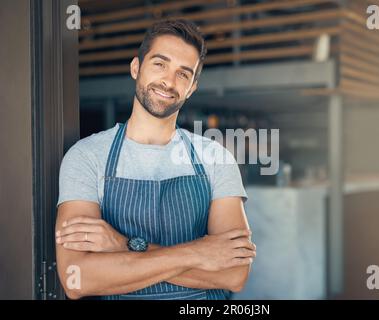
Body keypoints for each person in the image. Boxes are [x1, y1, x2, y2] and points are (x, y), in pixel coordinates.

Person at [55, 19, 255, 300]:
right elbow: (77, 278)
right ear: (136, 68)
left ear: (192, 88)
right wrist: (199, 254)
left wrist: (125, 246)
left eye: (183, 74)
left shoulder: (215, 158)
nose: (169, 82)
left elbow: (234, 275)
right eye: (160, 64)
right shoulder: (86, 157)